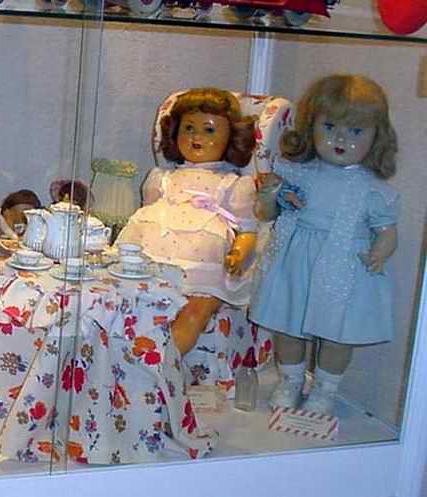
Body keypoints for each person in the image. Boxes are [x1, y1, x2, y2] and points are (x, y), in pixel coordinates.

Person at [251, 75, 399, 415]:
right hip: (295, 264)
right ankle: (291, 381)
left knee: (337, 335)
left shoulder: (371, 188)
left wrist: (381, 252)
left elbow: (387, 230)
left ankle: (325, 390)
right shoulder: (296, 172)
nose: (341, 139)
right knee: (289, 326)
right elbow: (267, 214)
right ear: (311, 126)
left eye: (356, 131)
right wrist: (268, 196)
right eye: (329, 126)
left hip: (343, 268)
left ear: (376, 137)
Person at [117, 88, 258, 356]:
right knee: (131, 303)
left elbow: (248, 228)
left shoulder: (234, 185)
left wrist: (239, 252)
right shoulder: (161, 178)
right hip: (154, 260)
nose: (196, 136)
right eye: (189, 128)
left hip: (205, 268)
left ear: (231, 137)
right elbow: (145, 216)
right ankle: (130, 359)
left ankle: (166, 364)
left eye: (209, 130)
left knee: (195, 312)